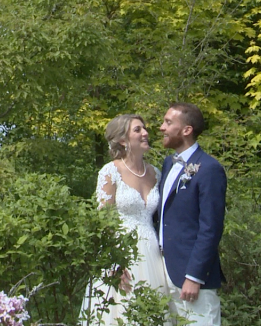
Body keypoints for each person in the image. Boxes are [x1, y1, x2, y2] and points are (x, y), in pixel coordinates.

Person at [83, 114, 168, 325]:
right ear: (123, 140)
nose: (146, 133)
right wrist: (115, 263)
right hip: (121, 253)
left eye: (145, 129)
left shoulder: (156, 173)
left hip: (153, 254)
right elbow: (104, 222)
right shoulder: (111, 172)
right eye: (138, 130)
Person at [157, 102, 226, 325]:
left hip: (191, 278)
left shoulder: (209, 169)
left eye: (168, 122)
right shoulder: (168, 163)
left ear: (186, 130)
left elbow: (211, 228)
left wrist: (194, 276)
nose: (161, 128)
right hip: (163, 271)